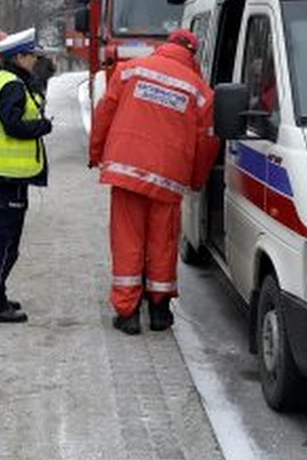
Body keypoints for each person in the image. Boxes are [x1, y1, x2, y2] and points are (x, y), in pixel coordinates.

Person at [88, 29, 218, 334]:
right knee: (163, 242)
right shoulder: (200, 91)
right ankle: (159, 310)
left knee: (127, 239)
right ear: (192, 54)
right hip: (170, 178)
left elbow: (104, 113)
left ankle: (128, 313)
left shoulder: (129, 70)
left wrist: (96, 153)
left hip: (127, 169)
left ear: (165, 46)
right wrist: (196, 180)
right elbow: (207, 144)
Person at [0, 28, 53, 323]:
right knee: (5, 243)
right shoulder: (14, 86)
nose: (35, 60)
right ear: (19, 56)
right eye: (32, 55)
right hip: (11, 175)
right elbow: (13, 125)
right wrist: (43, 127)